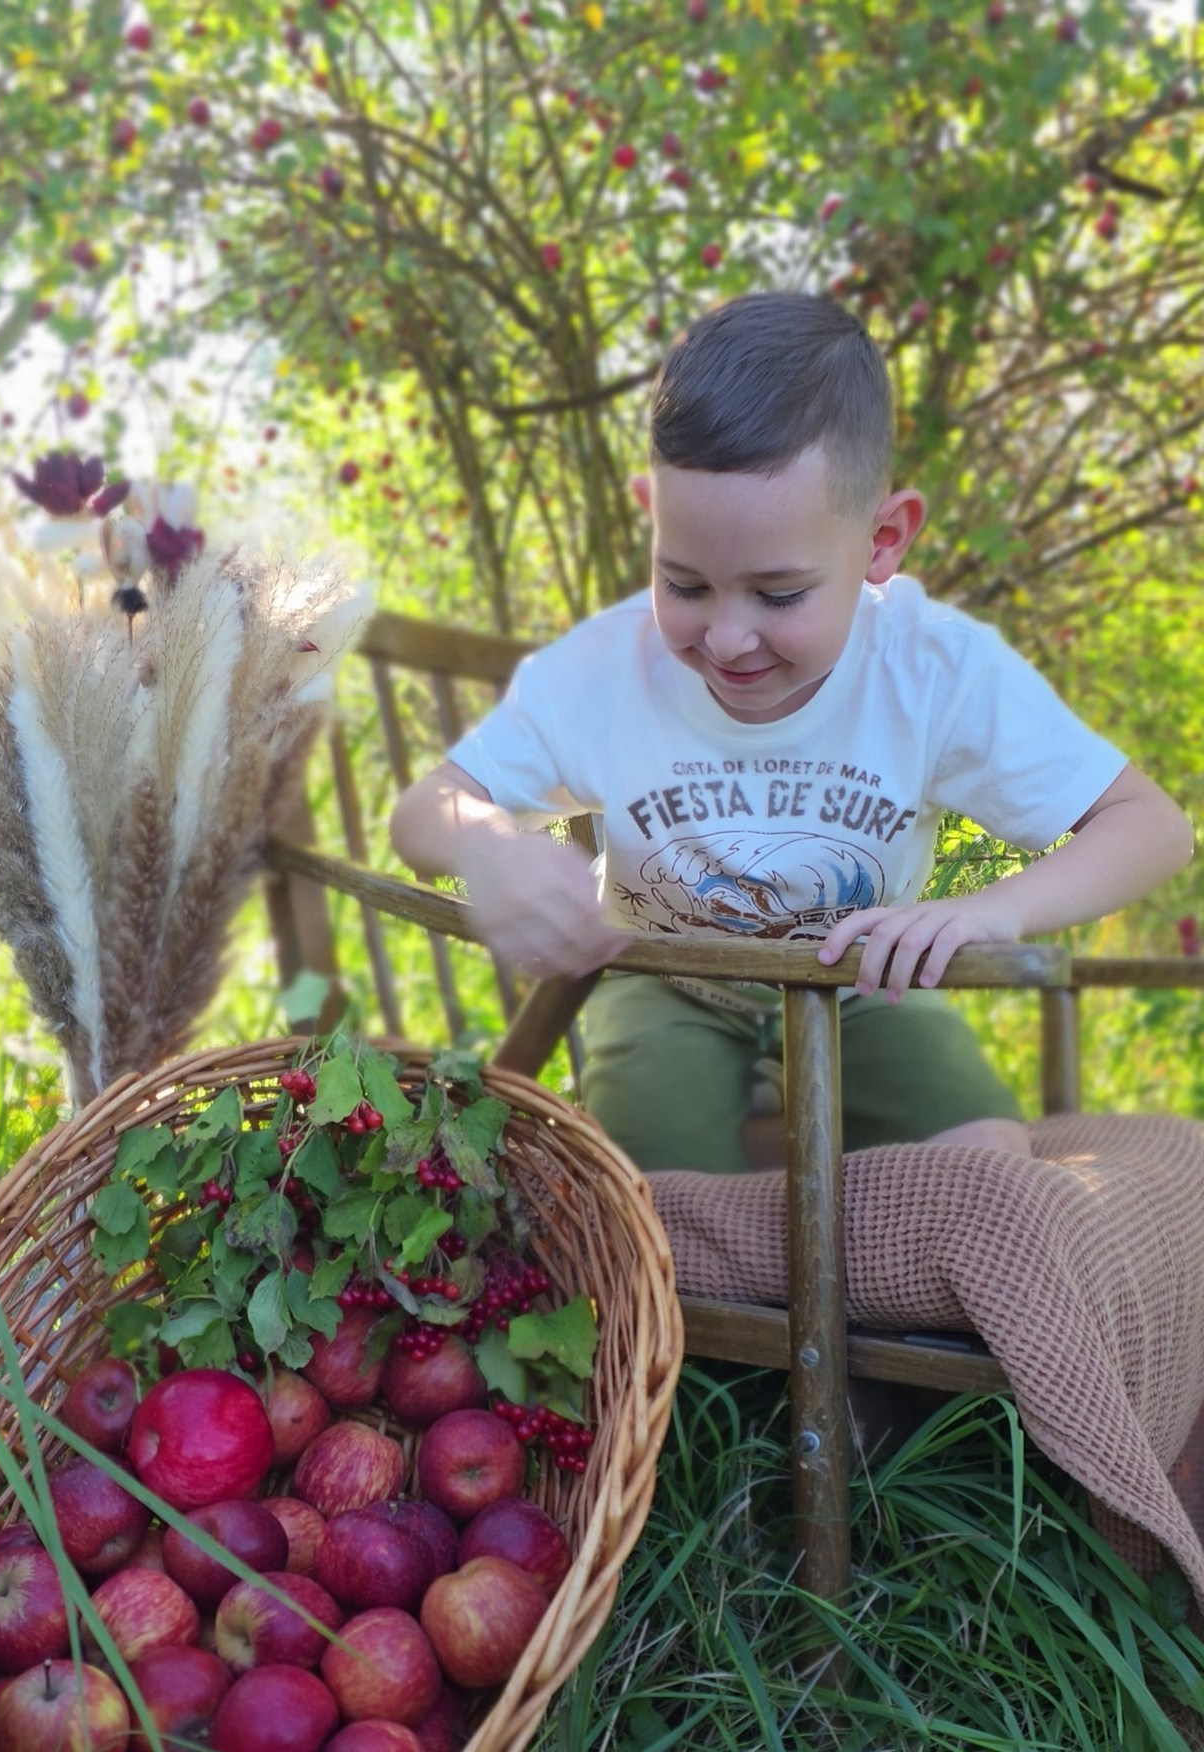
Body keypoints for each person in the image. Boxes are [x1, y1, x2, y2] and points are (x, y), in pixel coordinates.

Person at [390, 293, 1193, 1173]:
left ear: (882, 540)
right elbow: (425, 810)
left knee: (986, 1167)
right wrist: (490, 845)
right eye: (685, 584)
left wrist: (990, 911)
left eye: (779, 595)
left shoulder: (931, 669)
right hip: (666, 980)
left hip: (866, 984)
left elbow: (1150, 827)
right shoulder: (600, 674)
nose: (728, 637)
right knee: (647, 1195)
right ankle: (697, 1300)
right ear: (649, 515)